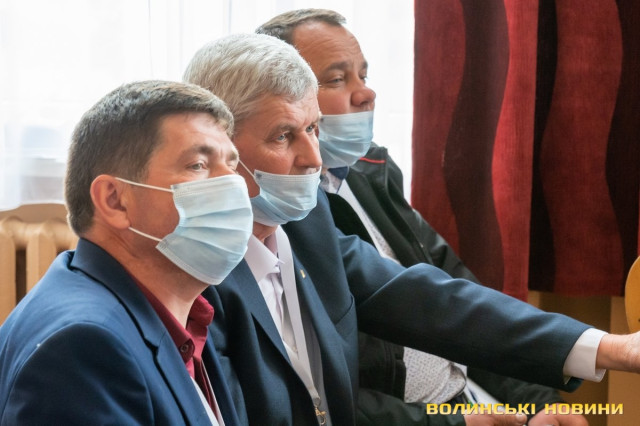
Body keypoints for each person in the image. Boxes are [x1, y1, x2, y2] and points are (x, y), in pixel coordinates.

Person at [185, 33, 640, 426]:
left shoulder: (307, 221)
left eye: (314, 129)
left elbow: (432, 300)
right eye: (284, 136)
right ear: (216, 146)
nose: (314, 159)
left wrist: (609, 348)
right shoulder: (195, 271)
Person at [256, 9, 588, 426]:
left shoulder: (370, 170)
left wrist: (537, 402)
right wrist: (452, 423)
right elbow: (321, 393)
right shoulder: (278, 216)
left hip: (469, 398)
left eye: (363, 75)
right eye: (338, 79)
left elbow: (456, 298)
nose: (366, 93)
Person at [0, 80, 253, 425]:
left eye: (232, 166)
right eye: (198, 165)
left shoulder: (183, 311)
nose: (234, 186)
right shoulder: (84, 348)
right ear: (115, 201)